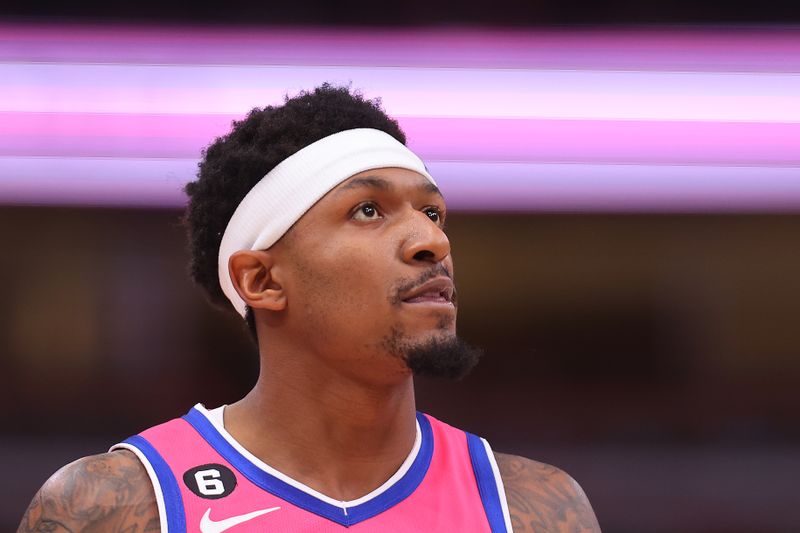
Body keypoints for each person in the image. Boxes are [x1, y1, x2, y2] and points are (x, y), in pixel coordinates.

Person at [17, 84, 601, 532]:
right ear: (262, 280)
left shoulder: (533, 509)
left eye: (432, 213)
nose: (434, 242)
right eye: (368, 211)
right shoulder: (114, 504)